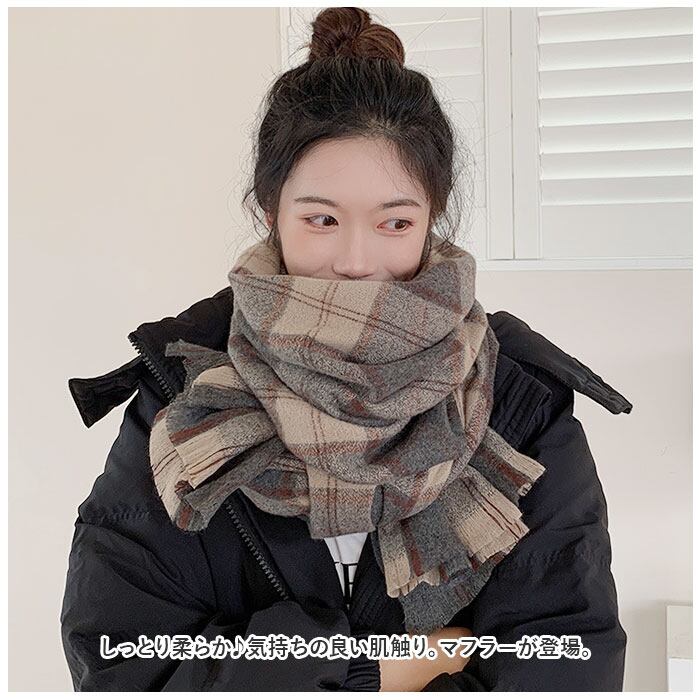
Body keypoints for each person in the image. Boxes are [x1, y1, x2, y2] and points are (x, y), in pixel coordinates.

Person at [60, 7, 633, 692]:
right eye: (322, 219)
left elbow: (568, 661)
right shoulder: (184, 398)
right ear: (270, 214)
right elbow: (124, 660)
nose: (357, 262)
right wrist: (374, 669)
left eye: (395, 222)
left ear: (432, 220)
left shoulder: (517, 401)